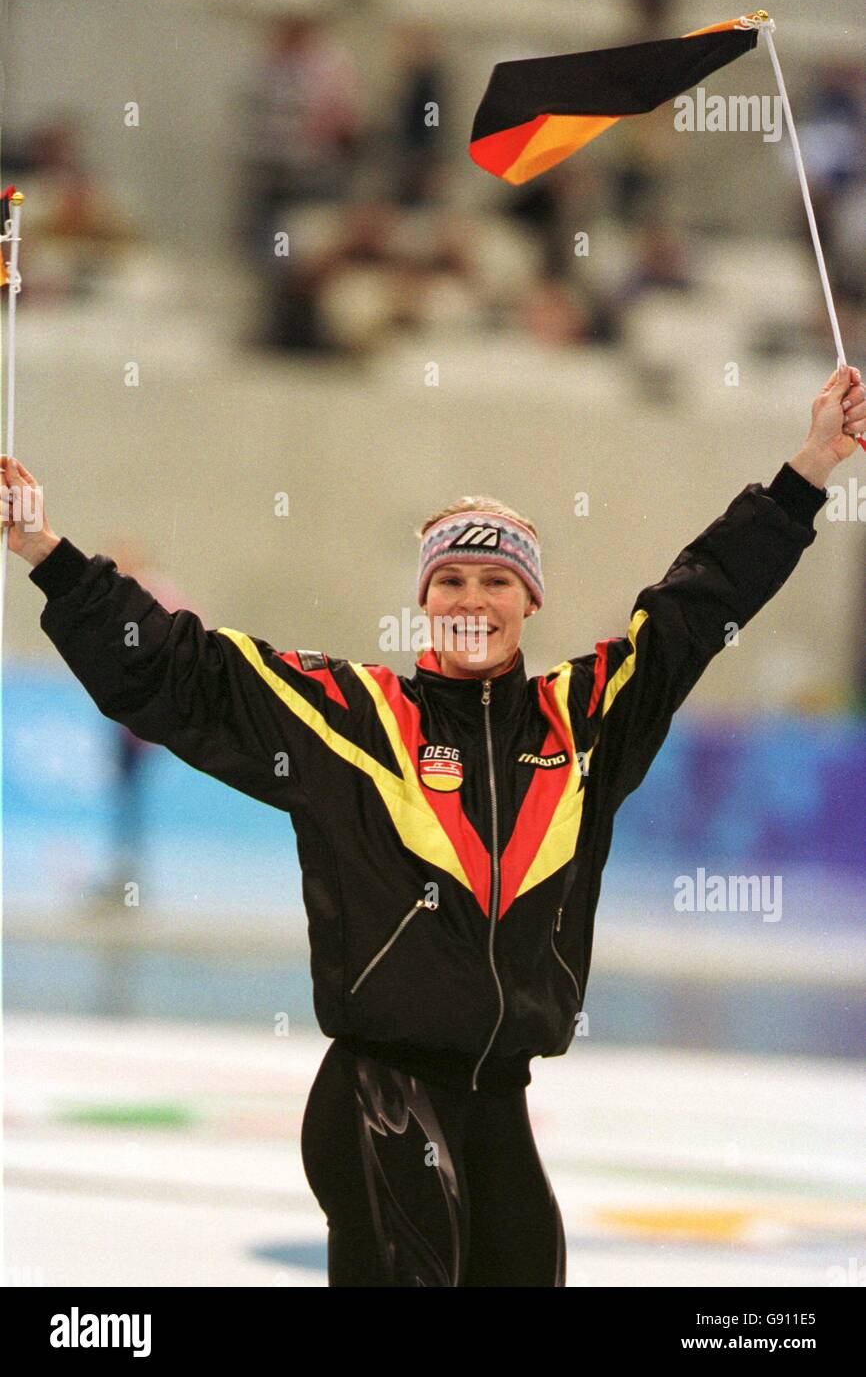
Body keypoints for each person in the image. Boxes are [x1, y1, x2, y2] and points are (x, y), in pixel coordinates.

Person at [3, 363, 863, 1286]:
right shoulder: (349, 718)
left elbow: (698, 609)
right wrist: (45, 551)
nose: (470, 601)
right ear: (421, 600)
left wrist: (809, 469)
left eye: (496, 580)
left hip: (503, 1102)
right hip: (383, 1102)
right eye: (449, 579)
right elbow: (181, 671)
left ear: (530, 600)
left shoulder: (588, 722)